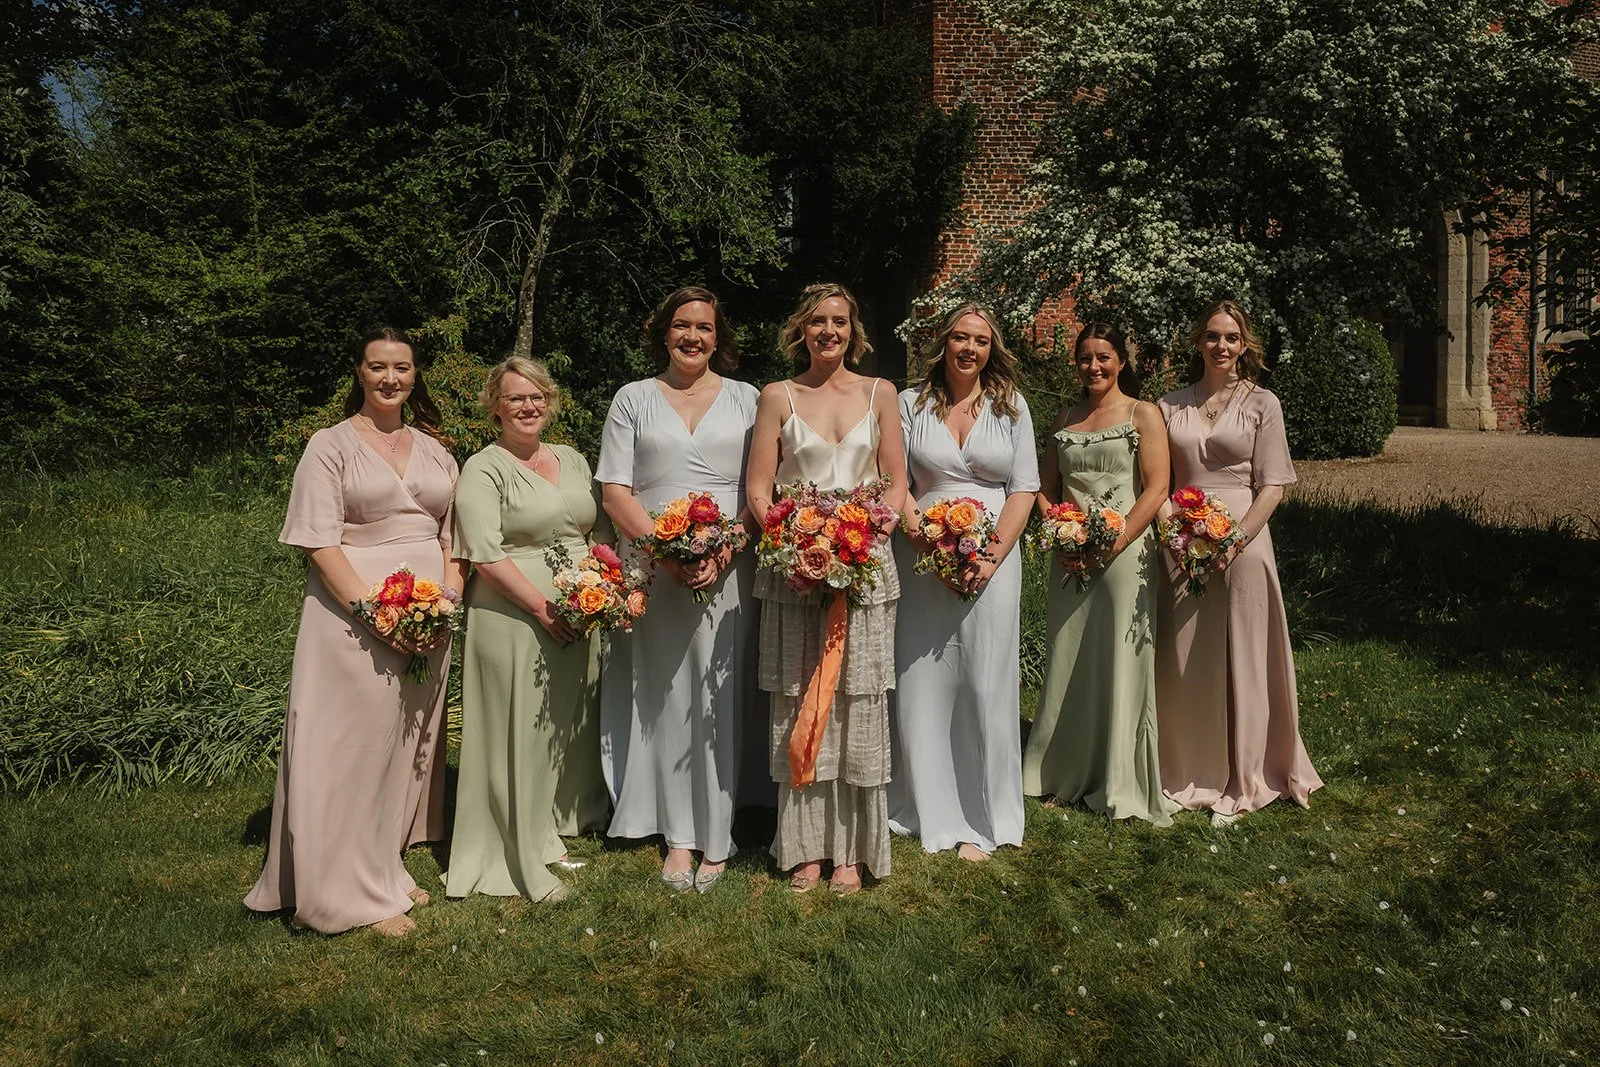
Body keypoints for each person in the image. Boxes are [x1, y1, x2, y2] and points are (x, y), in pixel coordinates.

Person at [246, 326, 462, 936]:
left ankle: (380, 867)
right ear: (359, 373)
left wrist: (444, 602)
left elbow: (453, 537)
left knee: (399, 747)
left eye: (402, 367)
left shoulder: (435, 447)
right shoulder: (329, 445)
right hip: (352, 618)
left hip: (428, 617)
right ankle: (340, 891)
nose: (390, 378)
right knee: (349, 747)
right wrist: (377, 614)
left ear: (415, 375)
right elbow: (318, 540)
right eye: (377, 367)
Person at [596, 286, 764, 893]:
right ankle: (678, 834)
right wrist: (667, 554)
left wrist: (724, 549)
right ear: (663, 332)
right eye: (681, 326)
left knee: (722, 692)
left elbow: (759, 488)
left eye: (705, 327)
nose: (693, 337)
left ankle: (719, 831)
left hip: (730, 561)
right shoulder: (633, 399)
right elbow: (615, 489)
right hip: (656, 568)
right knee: (665, 693)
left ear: (720, 338)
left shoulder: (748, 399)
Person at [745, 283, 907, 895]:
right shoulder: (777, 396)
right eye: (818, 323)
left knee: (857, 701)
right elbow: (761, 489)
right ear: (801, 330)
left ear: (853, 329)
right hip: (793, 568)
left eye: (839, 322)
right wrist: (792, 543)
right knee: (798, 696)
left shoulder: (880, 393)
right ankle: (806, 849)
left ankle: (851, 853)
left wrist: (861, 538)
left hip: (863, 567)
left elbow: (894, 482)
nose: (829, 333)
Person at [444, 356, 610, 902]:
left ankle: (557, 824)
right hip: (513, 612)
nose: (528, 405)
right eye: (515, 397)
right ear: (495, 405)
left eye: (537, 395)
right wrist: (542, 608)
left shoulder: (572, 457)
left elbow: (598, 530)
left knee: (562, 724)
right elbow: (484, 555)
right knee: (516, 724)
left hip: (579, 609)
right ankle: (509, 842)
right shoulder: (483, 467)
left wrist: (607, 591)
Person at [1155, 300, 1323, 825]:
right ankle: (1188, 769)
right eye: (1211, 336)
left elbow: (1273, 486)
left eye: (1231, 337)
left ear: (1244, 345)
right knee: (1188, 660)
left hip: (1245, 543)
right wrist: (1175, 534)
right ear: (1197, 343)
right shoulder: (1169, 406)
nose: (1221, 346)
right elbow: (1158, 482)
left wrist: (1234, 540)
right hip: (1182, 544)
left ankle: (1249, 774)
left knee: (1248, 656)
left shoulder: (1262, 403)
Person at [889, 303, 1039, 860]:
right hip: (923, 558)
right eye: (960, 337)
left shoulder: (1012, 406)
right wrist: (927, 540)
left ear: (991, 348)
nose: (969, 348)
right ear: (943, 343)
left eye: (980, 339)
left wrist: (991, 557)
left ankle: (983, 813)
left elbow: (1023, 487)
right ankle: (922, 804)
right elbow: (895, 482)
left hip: (993, 559)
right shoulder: (910, 404)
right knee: (924, 679)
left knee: (985, 682)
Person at [1022, 323, 1178, 824]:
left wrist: (1114, 540)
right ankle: (1060, 771)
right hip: (1069, 555)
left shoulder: (1143, 414)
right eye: (1085, 358)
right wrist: (1057, 526)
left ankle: (1119, 777)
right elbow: (1042, 486)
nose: (1094, 367)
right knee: (1069, 656)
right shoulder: (1065, 418)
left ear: (1121, 361)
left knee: (1120, 658)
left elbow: (1156, 489)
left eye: (1104, 357)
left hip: (1125, 554)